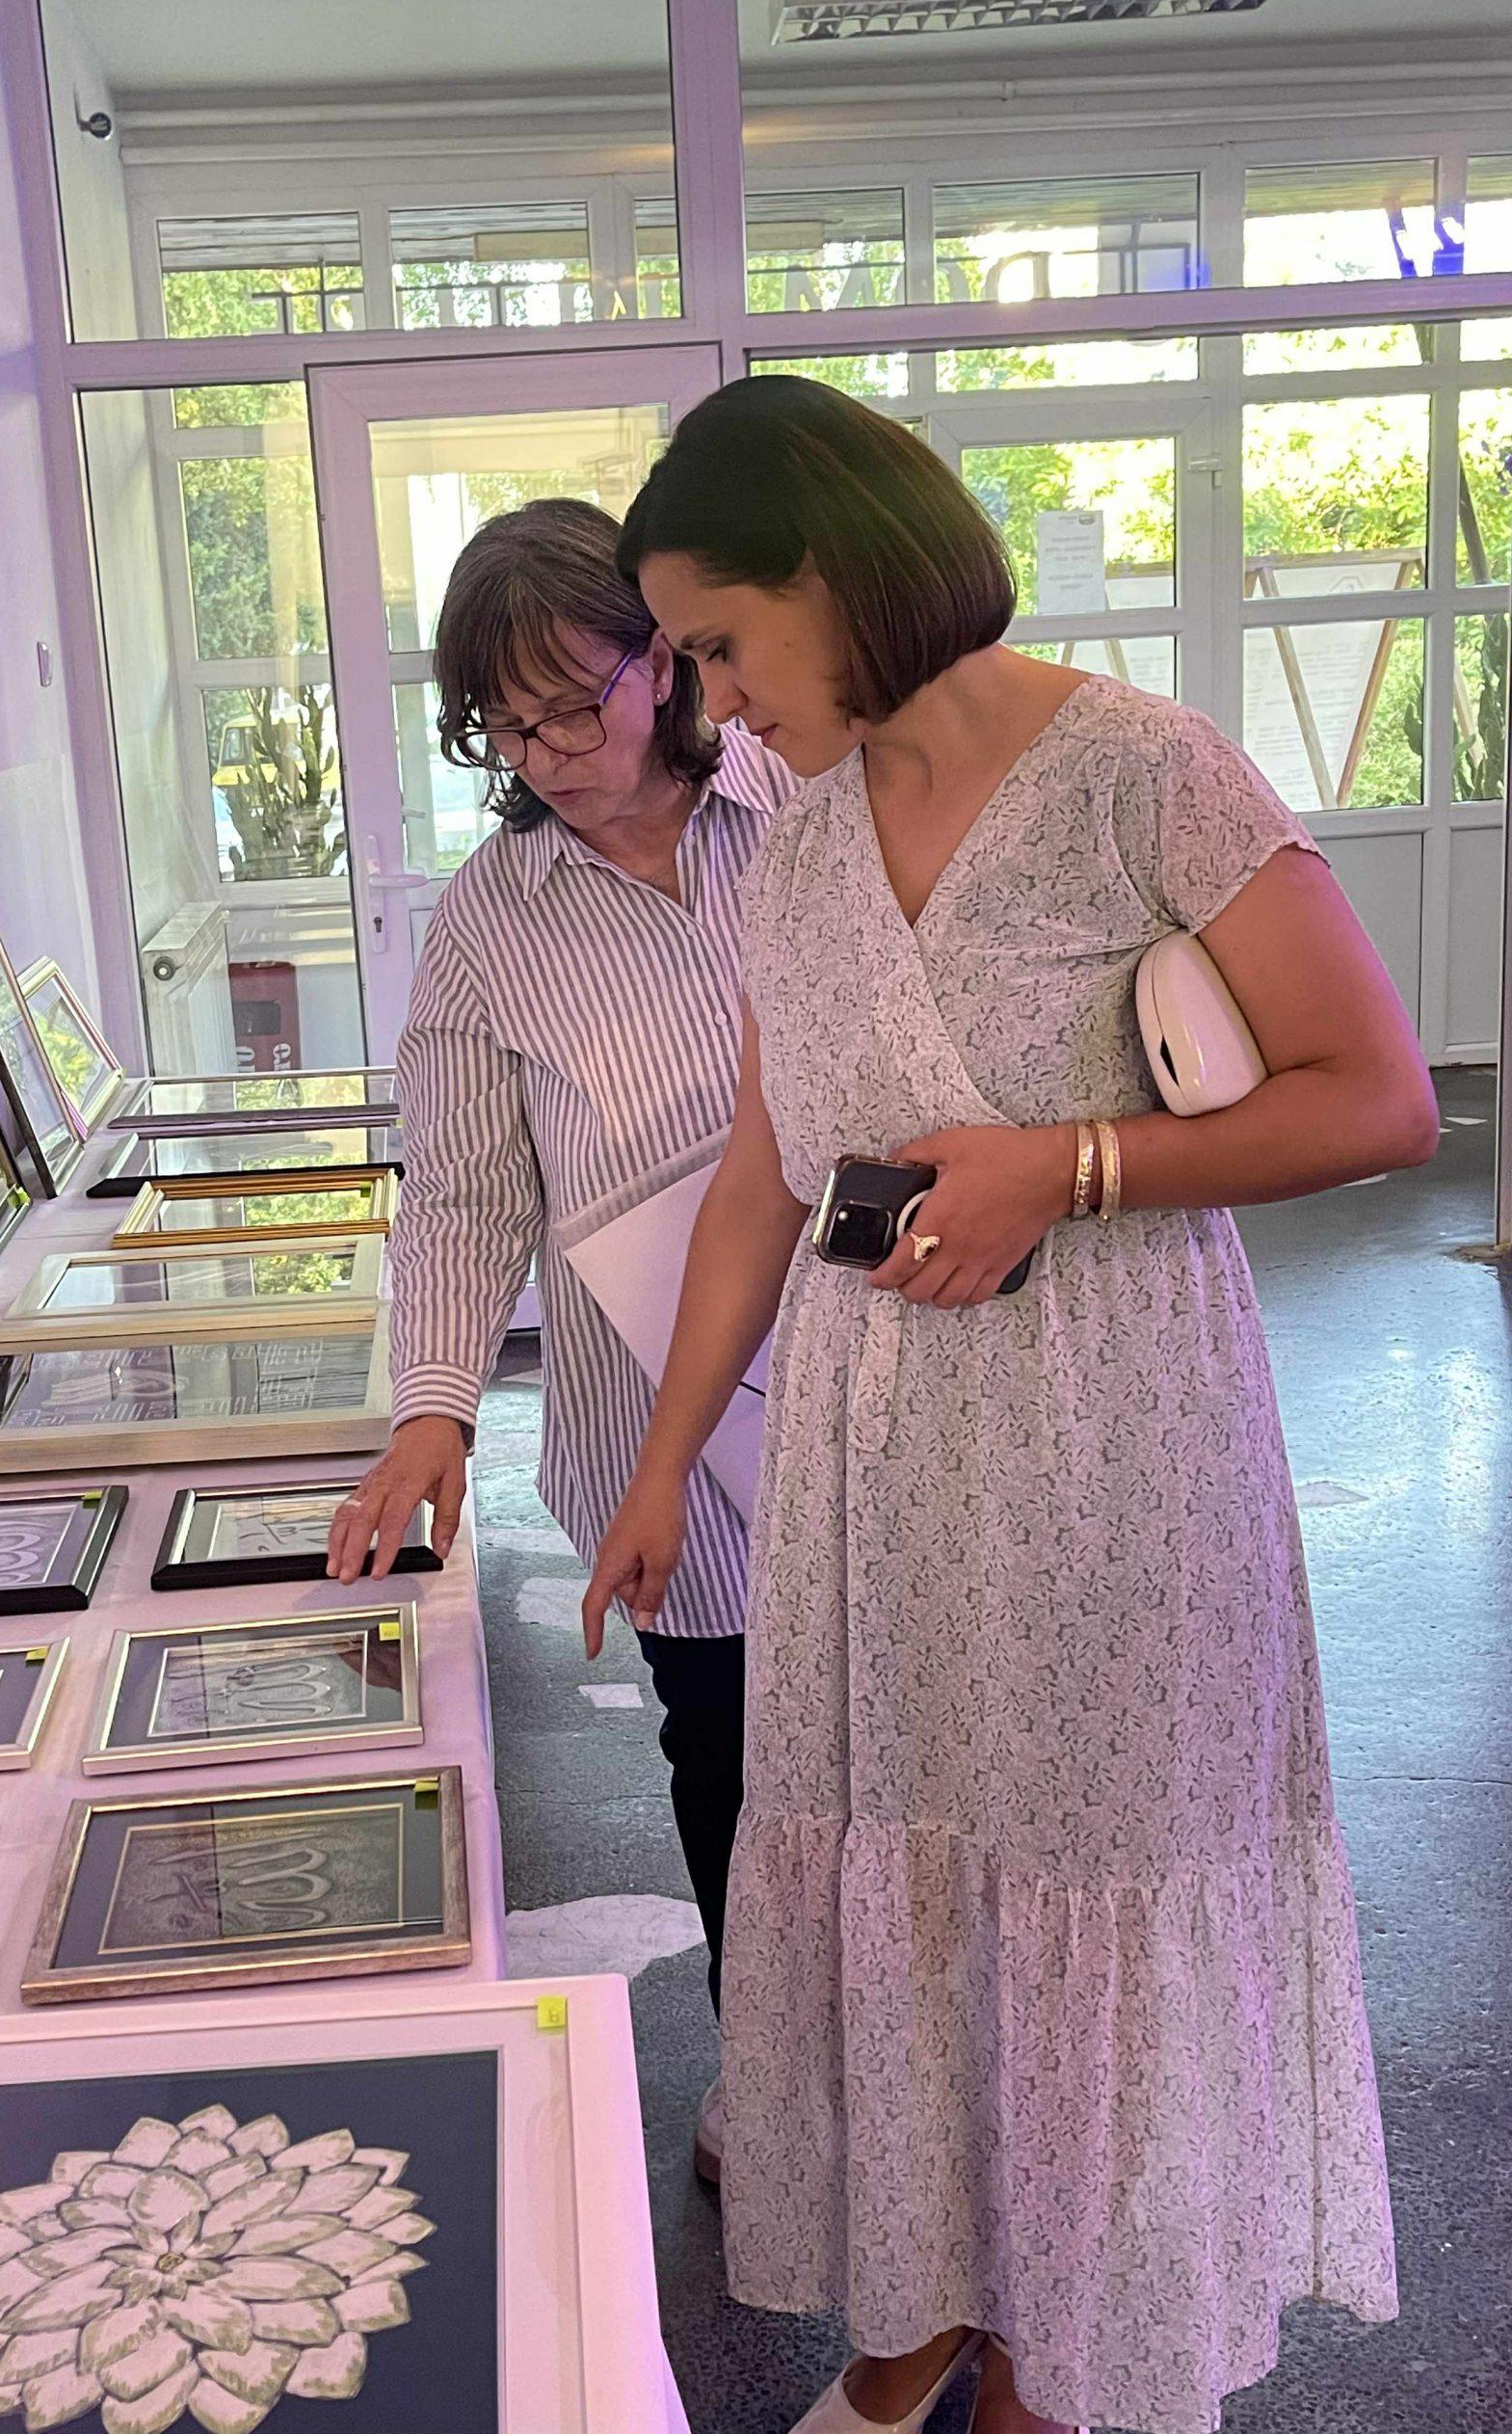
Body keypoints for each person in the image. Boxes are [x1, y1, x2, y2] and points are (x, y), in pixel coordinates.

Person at [585, 375, 1431, 2434]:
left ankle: (1059, 2341)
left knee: (1085, 1867)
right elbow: (763, 1181)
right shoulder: (795, 847)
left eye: (719, 643)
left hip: (1108, 1439)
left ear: (835, 570)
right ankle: (926, 2303)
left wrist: (1074, 1162)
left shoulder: (1147, 773)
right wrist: (666, 1460)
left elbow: (1381, 1097)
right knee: (909, 1871)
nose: (708, 705)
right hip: (874, 1463)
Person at [326, 497, 799, 2180]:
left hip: (881, 1370)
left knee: (914, 1750)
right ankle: (777, 2090)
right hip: (655, 1433)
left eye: (573, 708)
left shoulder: (809, 811)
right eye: (504, 729)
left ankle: (931, 2103)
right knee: (729, 1757)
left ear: (661, 660)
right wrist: (434, 1408)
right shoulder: (492, 919)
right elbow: (463, 1192)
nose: (547, 758)